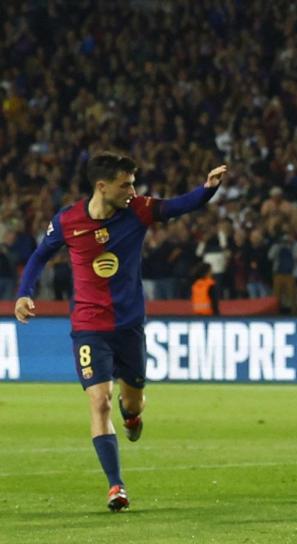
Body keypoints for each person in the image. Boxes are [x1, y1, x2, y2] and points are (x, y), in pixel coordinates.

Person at [14, 151, 228, 511]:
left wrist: (206, 190)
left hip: (129, 326)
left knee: (132, 401)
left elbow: (177, 206)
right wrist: (23, 294)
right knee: (100, 401)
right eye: (125, 184)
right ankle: (116, 486)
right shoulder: (68, 221)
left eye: (133, 183)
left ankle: (133, 416)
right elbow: (38, 256)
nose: (132, 190)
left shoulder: (138, 211)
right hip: (88, 326)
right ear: (102, 186)